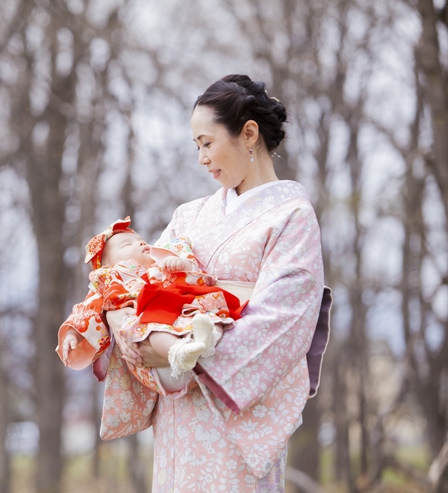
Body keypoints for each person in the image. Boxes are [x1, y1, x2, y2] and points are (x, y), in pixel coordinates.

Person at [99, 74, 332, 492]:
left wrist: (193, 353)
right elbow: (137, 288)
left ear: (248, 134)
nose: (202, 158)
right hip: (178, 414)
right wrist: (145, 340)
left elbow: (283, 319)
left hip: (234, 412)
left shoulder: (291, 217)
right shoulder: (189, 216)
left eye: (207, 143)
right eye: (197, 147)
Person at [56, 217, 245, 395]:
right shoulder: (110, 279)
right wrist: (74, 333)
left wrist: (182, 264)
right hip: (155, 351)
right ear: (106, 265)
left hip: (181, 324)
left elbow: (194, 283)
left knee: (211, 313)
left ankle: (206, 340)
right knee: (153, 328)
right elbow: (88, 307)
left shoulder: (160, 267)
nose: (140, 243)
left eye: (140, 240)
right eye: (127, 244)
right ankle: (177, 351)